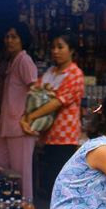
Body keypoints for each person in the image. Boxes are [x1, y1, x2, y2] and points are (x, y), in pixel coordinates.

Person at [22, 31, 85, 197]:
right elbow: (34, 91)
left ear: (71, 50)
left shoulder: (75, 74)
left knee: (61, 181)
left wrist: (30, 117)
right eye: (53, 47)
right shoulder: (50, 72)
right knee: (50, 181)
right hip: (47, 135)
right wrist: (25, 117)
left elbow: (57, 102)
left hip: (64, 137)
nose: (55, 51)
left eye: (60, 47)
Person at [0, 23, 38, 198]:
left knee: (22, 176)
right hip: (7, 127)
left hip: (20, 129)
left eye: (14, 37)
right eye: (7, 37)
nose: (9, 40)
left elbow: (35, 92)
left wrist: (28, 118)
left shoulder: (24, 60)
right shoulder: (14, 61)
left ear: (22, 40)